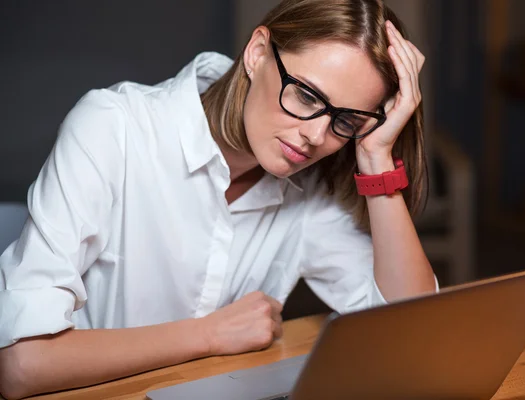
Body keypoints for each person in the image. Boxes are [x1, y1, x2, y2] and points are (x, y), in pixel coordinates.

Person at [0, 0, 437, 398]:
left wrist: (376, 157)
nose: (316, 136)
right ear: (258, 53)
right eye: (306, 95)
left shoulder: (311, 191)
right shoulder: (115, 129)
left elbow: (413, 334)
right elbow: (22, 365)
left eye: (346, 120)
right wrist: (207, 336)